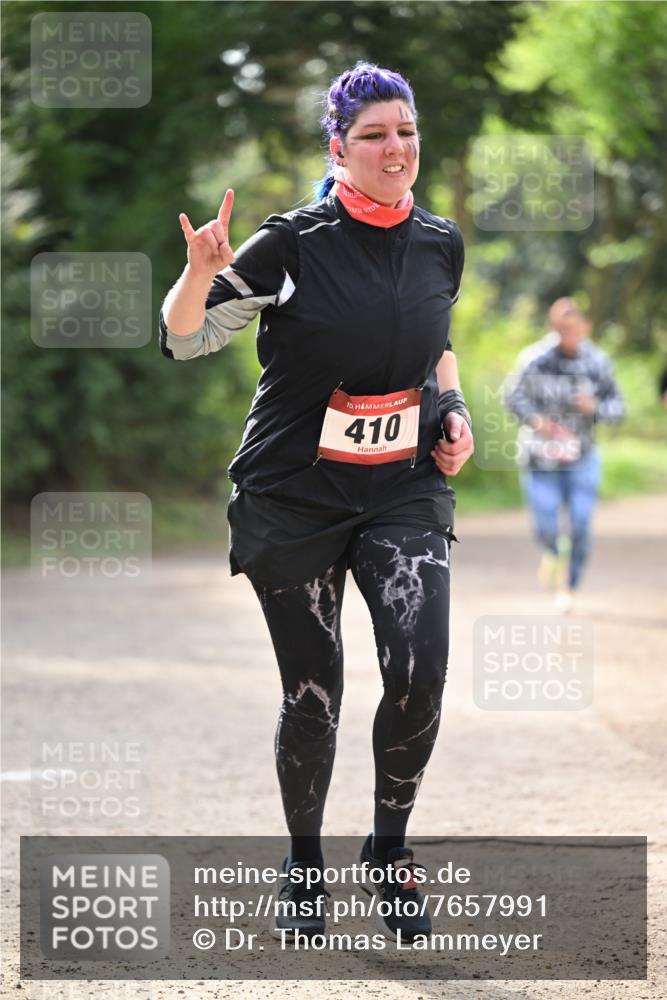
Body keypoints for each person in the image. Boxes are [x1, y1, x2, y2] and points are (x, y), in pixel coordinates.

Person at [159, 61, 474, 942]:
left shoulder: (439, 241)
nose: (394, 148)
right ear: (338, 147)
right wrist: (198, 274)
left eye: (405, 131)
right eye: (374, 135)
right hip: (292, 493)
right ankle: (304, 862)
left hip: (402, 489)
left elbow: (436, 344)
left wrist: (450, 410)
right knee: (314, 693)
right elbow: (183, 339)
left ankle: (388, 847)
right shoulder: (292, 243)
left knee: (418, 671)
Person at [504, 304, 624, 612]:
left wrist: (594, 406)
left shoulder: (597, 362)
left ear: (586, 326)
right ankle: (552, 552)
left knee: (581, 524)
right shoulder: (534, 359)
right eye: (561, 328)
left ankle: (568, 586)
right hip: (540, 460)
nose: (567, 334)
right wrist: (535, 420)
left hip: (581, 458)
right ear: (553, 326)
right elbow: (511, 395)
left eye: (574, 328)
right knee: (546, 526)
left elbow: (618, 408)